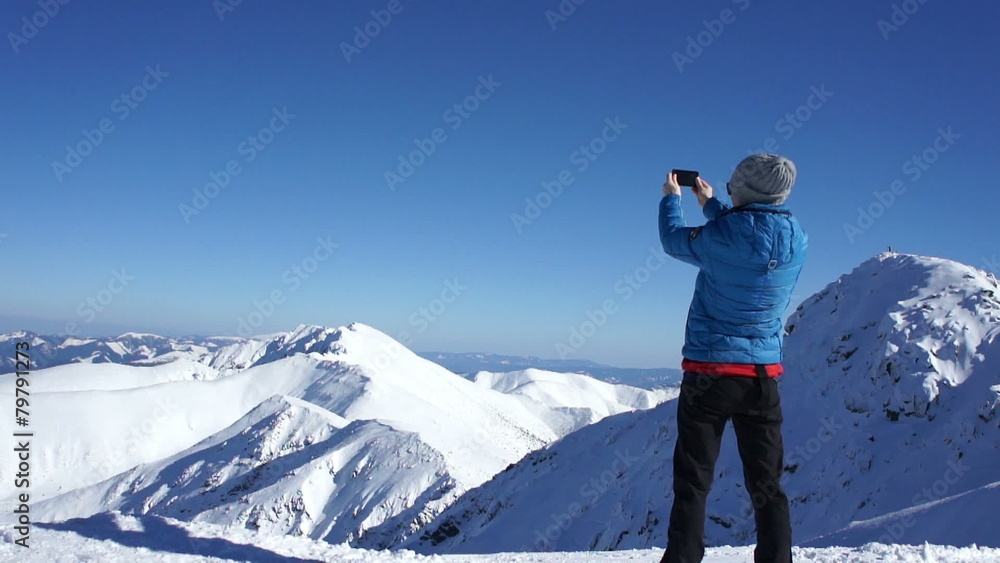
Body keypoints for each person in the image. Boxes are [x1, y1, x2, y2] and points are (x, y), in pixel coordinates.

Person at [657, 154, 807, 563]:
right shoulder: (797, 238)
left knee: (693, 481)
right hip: (761, 378)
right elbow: (753, 235)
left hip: (709, 373)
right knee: (767, 484)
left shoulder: (720, 236)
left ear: (742, 189)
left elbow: (673, 240)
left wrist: (672, 199)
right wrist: (711, 204)